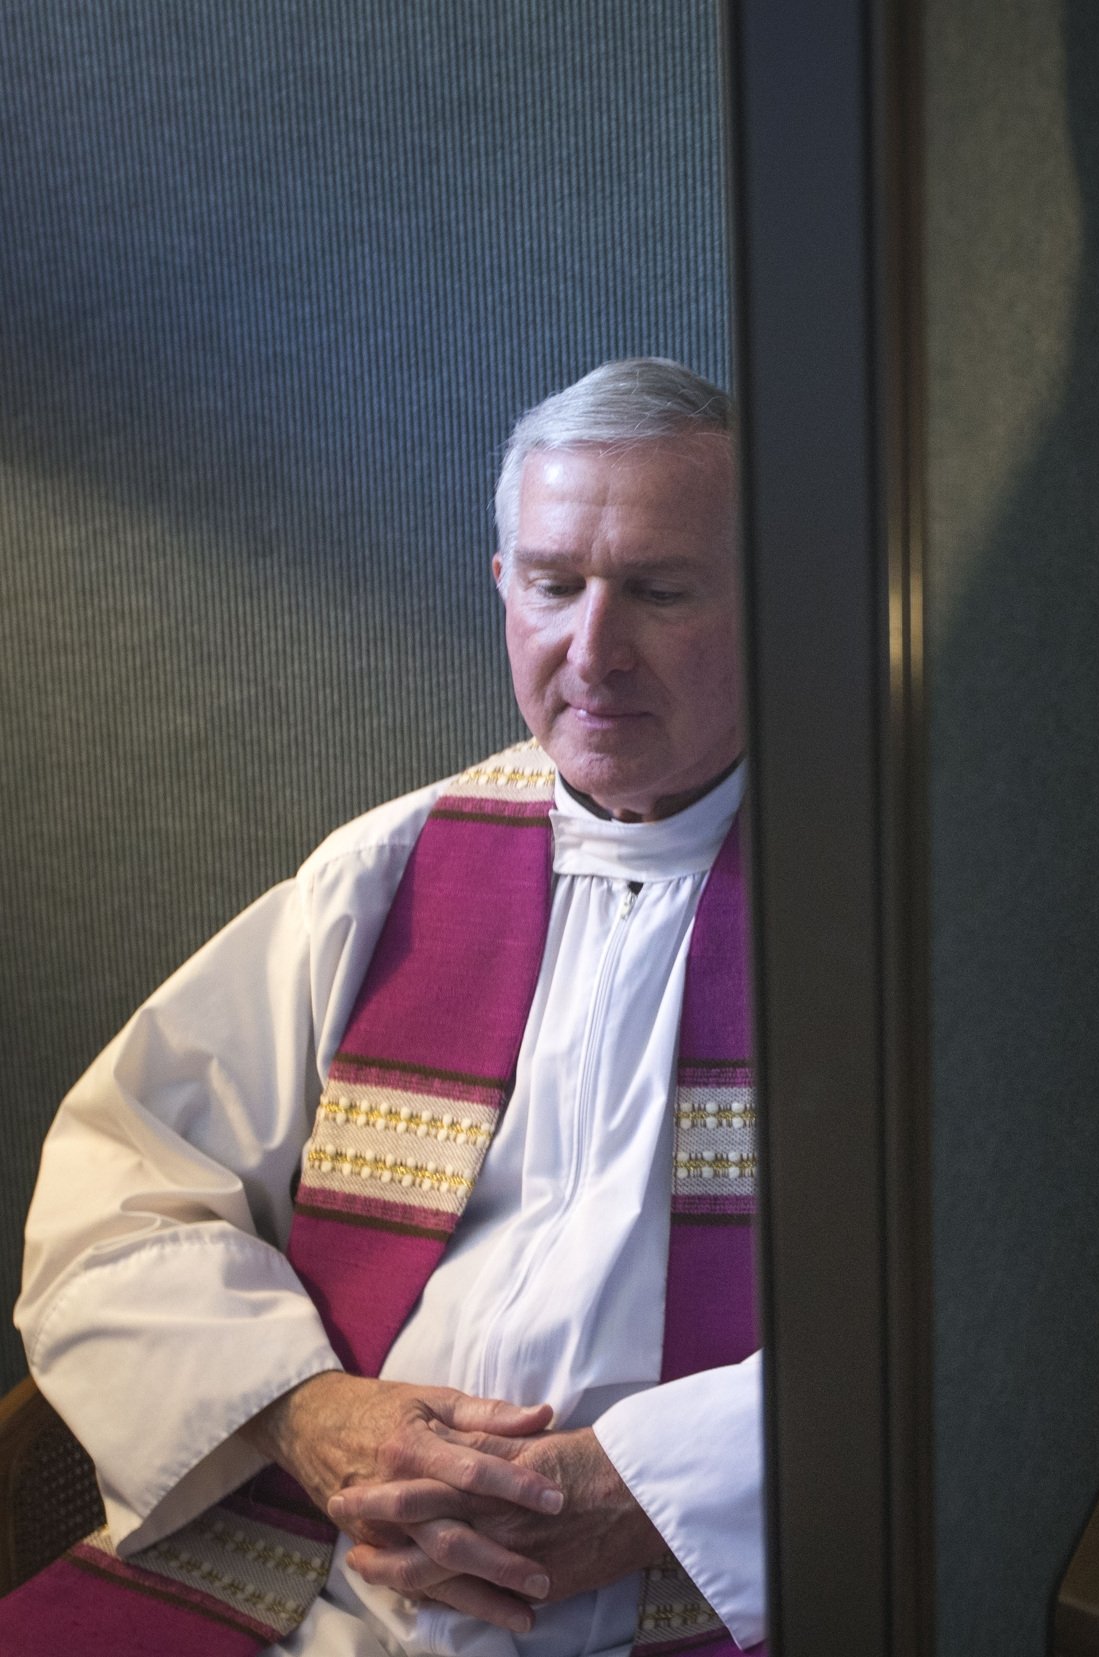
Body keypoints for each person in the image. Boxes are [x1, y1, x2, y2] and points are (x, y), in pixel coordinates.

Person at [4, 358, 763, 1657]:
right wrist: (305, 1411)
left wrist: (656, 1481)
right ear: (500, 591)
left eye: (660, 590)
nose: (593, 650)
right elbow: (116, 1191)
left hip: (693, 1578)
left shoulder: (884, 918)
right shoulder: (392, 871)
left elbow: (972, 1304)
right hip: (333, 1577)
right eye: (554, 584)